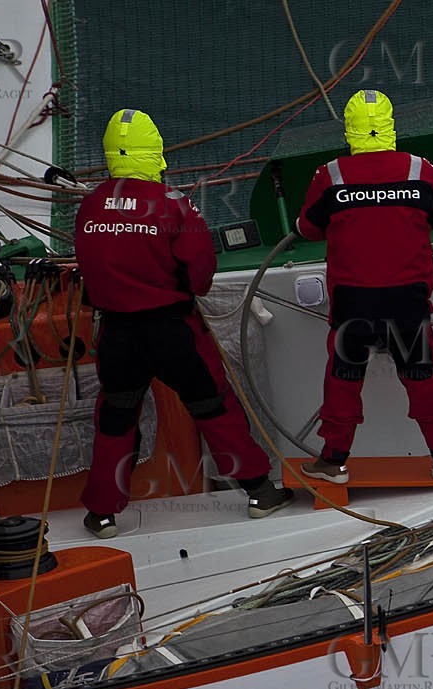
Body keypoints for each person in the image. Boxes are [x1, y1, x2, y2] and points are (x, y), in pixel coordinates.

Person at [76, 108, 292, 537]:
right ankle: (259, 492)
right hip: (171, 329)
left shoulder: (89, 205)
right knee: (214, 407)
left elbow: (89, 265)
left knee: (116, 418)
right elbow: (201, 272)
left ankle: (102, 513)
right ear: (154, 149)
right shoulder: (173, 204)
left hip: (116, 334)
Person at [294, 89, 433, 484]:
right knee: (422, 377)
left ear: (349, 128)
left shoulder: (330, 175)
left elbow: (307, 229)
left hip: (353, 303)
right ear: (391, 124)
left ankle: (333, 462)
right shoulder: (419, 170)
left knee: (343, 379)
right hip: (406, 301)